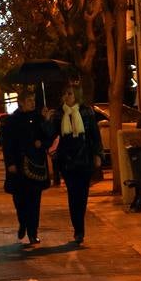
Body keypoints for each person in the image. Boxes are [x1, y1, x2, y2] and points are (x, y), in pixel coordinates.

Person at [51, 82, 103, 245]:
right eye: (65, 94)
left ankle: (79, 225)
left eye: (70, 94)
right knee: (73, 194)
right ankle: (78, 230)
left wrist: (97, 154)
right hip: (67, 159)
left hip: (84, 158)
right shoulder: (59, 114)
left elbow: (94, 135)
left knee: (82, 195)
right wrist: (47, 120)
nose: (67, 96)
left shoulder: (86, 112)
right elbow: (50, 134)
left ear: (76, 96)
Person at [1, 87, 53, 245]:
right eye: (29, 100)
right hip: (18, 167)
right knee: (20, 200)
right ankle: (22, 222)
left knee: (34, 201)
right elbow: (7, 144)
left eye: (33, 100)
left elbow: (50, 137)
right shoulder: (11, 121)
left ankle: (32, 232)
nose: (32, 103)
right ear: (21, 103)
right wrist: (10, 163)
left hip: (35, 165)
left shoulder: (38, 118)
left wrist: (45, 125)